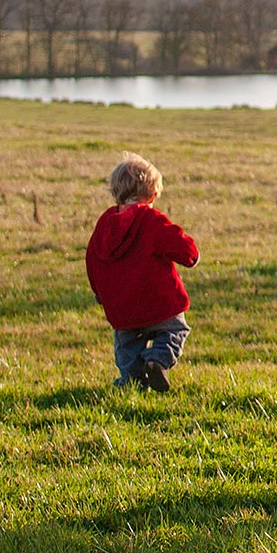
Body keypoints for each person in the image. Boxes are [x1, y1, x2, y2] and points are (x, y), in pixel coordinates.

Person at [84, 152, 199, 392]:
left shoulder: (105, 225)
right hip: (159, 301)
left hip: (122, 307)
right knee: (175, 330)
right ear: (150, 193)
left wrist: (99, 292)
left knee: (127, 346)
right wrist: (191, 255)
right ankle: (157, 360)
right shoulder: (151, 219)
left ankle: (132, 379)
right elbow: (179, 243)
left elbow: (92, 259)